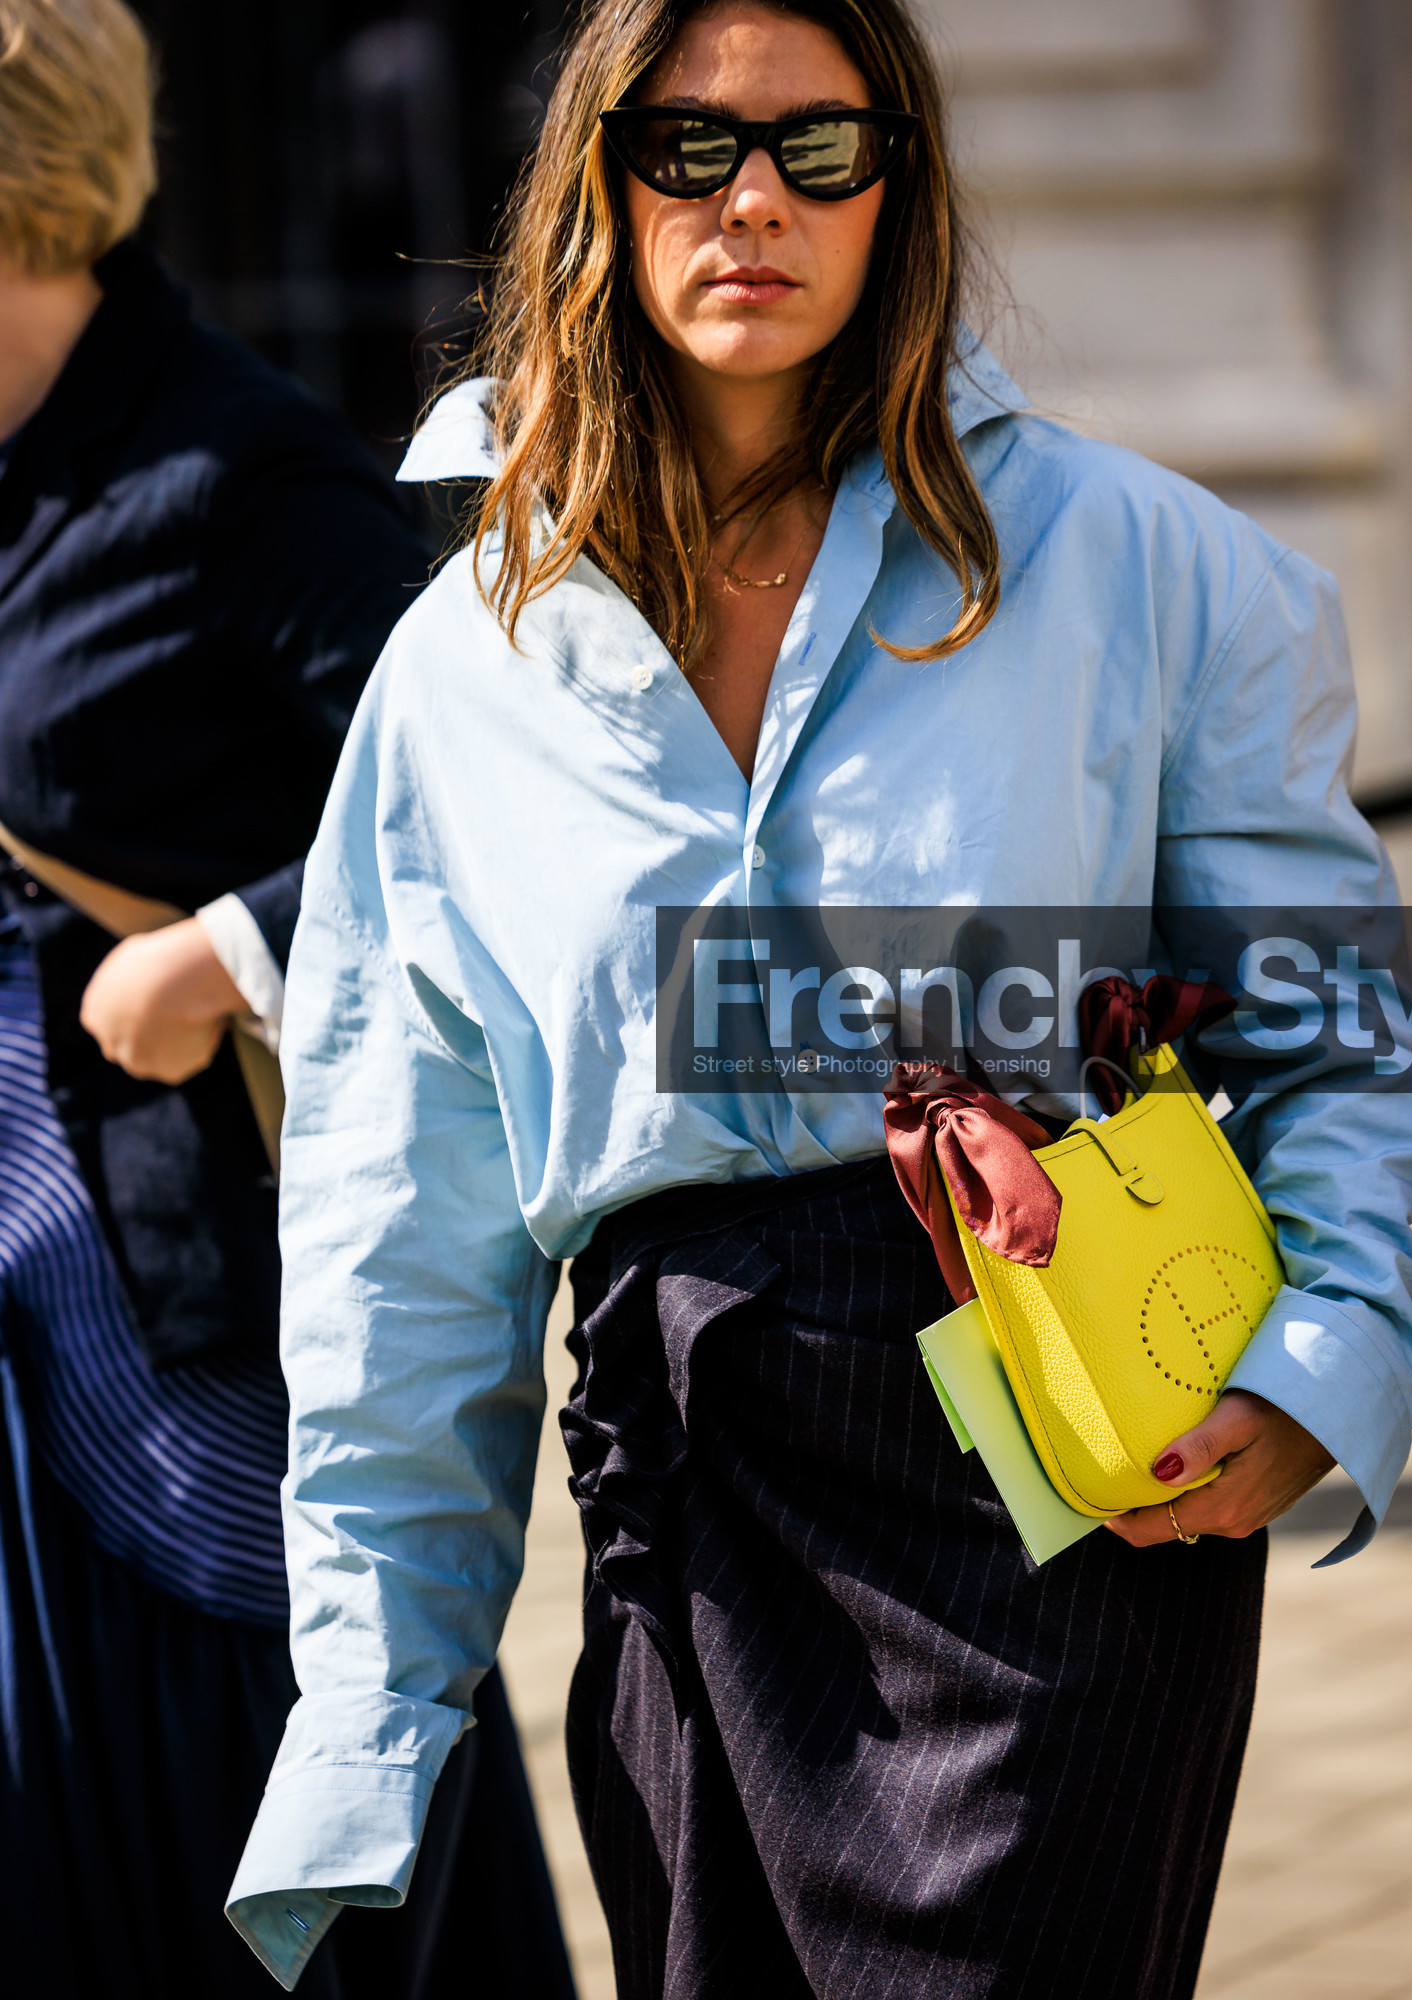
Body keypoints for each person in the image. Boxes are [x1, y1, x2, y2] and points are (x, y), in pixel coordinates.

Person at [228, 1, 1412, 1994]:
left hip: (1056, 1460)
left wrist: (1322, 1353)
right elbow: (396, 1217)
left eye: (820, 149)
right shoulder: (461, 667)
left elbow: (1319, 1019)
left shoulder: (1139, 566)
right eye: (688, 148)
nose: (752, 205)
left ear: (900, 184)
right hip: (680, 1484)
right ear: (597, 186)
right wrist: (374, 1698)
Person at [0, 2, 574, 1994]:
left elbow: (499, 790)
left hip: (191, 1331)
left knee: (293, 1846)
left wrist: (222, 945)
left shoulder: (234, 470)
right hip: (15, 1317)